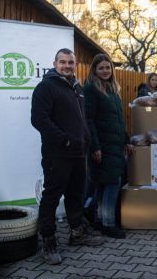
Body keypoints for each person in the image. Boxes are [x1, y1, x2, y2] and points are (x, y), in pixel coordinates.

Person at [31, 48, 102, 265]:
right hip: (57, 154)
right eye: (63, 62)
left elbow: (81, 120)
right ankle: (49, 241)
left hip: (78, 153)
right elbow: (39, 119)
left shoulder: (77, 87)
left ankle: (77, 233)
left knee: (75, 194)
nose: (67, 66)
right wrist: (65, 139)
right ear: (55, 64)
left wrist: (87, 141)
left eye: (70, 62)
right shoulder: (46, 87)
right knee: (52, 196)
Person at [84, 54, 135, 239]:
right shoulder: (91, 89)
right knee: (112, 183)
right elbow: (88, 120)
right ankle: (108, 223)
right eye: (101, 68)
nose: (105, 71)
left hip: (114, 145)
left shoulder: (112, 90)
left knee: (103, 183)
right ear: (95, 70)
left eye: (108, 68)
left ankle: (97, 218)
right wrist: (94, 147)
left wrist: (126, 139)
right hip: (102, 146)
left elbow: (118, 120)